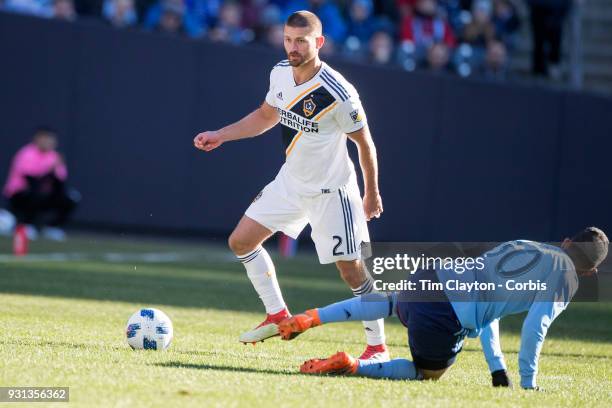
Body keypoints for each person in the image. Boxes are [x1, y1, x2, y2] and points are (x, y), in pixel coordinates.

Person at [193, 10, 388, 361]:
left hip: (332, 193)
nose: (292, 47)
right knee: (241, 241)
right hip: (291, 182)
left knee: (352, 270)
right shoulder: (280, 72)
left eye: (301, 40)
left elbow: (365, 144)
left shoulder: (339, 92)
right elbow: (266, 116)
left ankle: (378, 348)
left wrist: (371, 193)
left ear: (320, 42)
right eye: (287, 39)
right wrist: (220, 135)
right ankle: (277, 314)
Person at [278, 227, 608, 389]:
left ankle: (315, 316)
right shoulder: (566, 280)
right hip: (444, 314)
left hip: (432, 274)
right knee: (428, 373)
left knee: (393, 301)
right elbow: (535, 328)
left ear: (566, 242)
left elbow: (486, 303)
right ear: (589, 272)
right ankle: (353, 367)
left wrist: (497, 369)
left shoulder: (527, 245)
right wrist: (527, 382)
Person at [3, 127, 80, 240]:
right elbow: (31, 179)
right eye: (44, 138)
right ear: (36, 139)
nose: (47, 142)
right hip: (20, 195)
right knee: (35, 192)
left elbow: (60, 181)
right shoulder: (26, 153)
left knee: (72, 197)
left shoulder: (54, 156)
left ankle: (52, 227)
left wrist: (55, 169)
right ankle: (26, 224)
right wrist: (49, 168)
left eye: (50, 139)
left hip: (44, 195)